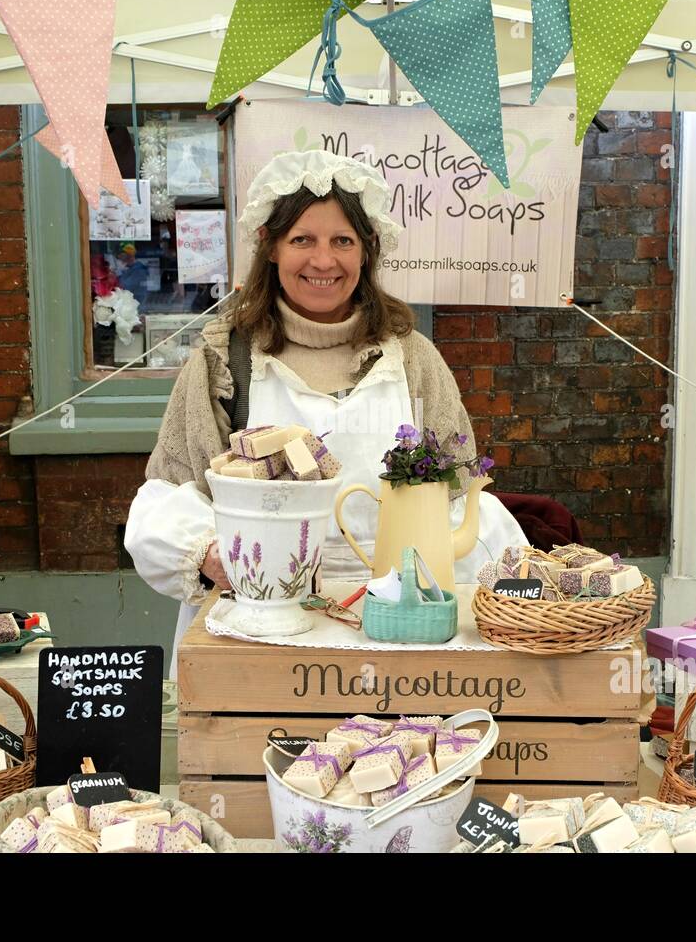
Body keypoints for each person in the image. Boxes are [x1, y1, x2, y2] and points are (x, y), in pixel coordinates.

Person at [125, 150, 527, 672]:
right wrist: (210, 555)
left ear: (367, 250)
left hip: (395, 627)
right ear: (270, 247)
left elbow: (454, 498)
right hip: (257, 628)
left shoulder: (412, 359)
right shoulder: (226, 360)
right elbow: (172, 491)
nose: (323, 261)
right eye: (302, 240)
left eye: (343, 241)